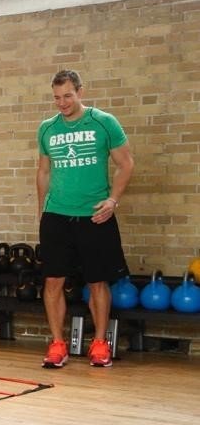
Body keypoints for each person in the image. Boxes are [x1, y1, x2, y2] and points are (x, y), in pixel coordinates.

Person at [36, 69, 134, 369]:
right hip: (57, 216)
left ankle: (100, 343)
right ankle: (57, 344)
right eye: (56, 98)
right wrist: (42, 214)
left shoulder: (104, 123)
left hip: (95, 217)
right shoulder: (47, 128)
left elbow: (126, 164)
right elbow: (43, 171)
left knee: (97, 282)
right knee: (53, 281)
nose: (62, 103)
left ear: (81, 91)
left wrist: (112, 200)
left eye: (67, 95)